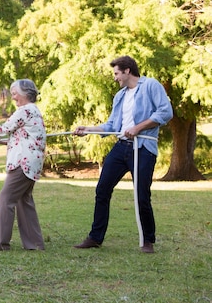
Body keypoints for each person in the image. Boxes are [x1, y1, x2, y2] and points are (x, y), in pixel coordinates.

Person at [73, 56, 173, 253]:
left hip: (143, 147)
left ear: (127, 71)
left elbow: (165, 112)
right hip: (122, 147)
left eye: (117, 73)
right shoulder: (120, 96)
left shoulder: (150, 85)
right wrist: (89, 129)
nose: (115, 78)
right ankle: (95, 237)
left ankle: (148, 240)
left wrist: (138, 127)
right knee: (102, 189)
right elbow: (112, 126)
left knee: (141, 195)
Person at [0, 79, 46, 251]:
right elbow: (25, 138)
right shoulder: (34, 111)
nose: (13, 98)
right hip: (31, 162)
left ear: (25, 94)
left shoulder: (25, 110)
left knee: (6, 199)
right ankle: (34, 244)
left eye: (14, 94)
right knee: (23, 200)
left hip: (23, 163)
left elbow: (4, 128)